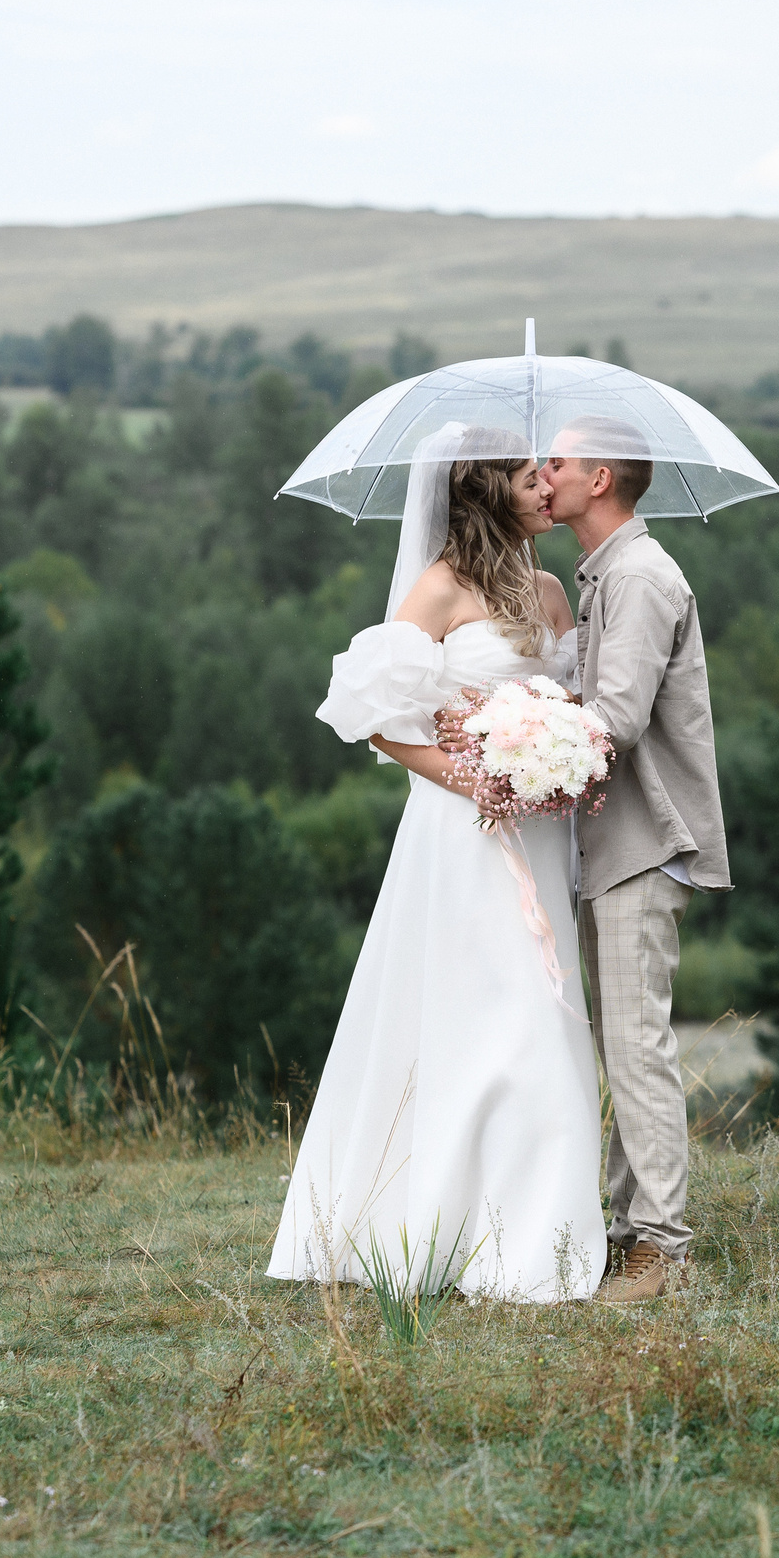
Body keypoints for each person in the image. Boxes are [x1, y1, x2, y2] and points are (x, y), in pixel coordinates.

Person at [267, 423, 607, 1304]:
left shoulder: (547, 591)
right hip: (460, 833)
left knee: (541, 1012)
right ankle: (434, 1225)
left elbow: (569, 704)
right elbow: (375, 713)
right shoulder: (440, 589)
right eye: (529, 476)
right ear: (483, 487)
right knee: (469, 1009)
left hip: (535, 826)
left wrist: (551, 749)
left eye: (547, 474)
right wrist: (468, 775)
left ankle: (538, 1234)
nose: (547, 488)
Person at [540, 416, 731, 1304]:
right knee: (619, 1042)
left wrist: (512, 754)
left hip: (645, 842)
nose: (545, 475)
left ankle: (662, 1246)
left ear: (602, 476)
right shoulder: (604, 577)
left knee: (638, 1045)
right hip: (610, 844)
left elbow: (612, 721)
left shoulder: (645, 578)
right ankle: (626, 1231)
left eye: (560, 462)